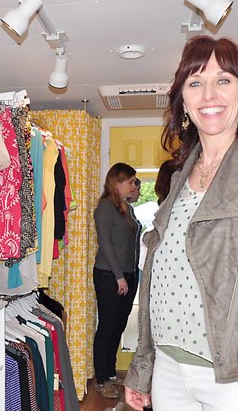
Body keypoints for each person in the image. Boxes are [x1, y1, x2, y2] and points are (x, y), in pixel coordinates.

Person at [124, 36, 238, 411]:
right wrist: (143, 367)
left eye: (223, 80)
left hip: (234, 379)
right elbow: (158, 276)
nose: (209, 94)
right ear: (184, 103)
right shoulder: (177, 179)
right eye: (195, 83)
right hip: (169, 369)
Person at [93, 163, 142, 399]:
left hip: (128, 274)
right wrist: (119, 276)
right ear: (118, 182)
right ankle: (101, 378)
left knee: (119, 326)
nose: (134, 185)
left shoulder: (126, 208)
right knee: (107, 326)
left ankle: (110, 372)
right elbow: (106, 244)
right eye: (131, 181)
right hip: (109, 275)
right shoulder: (105, 208)